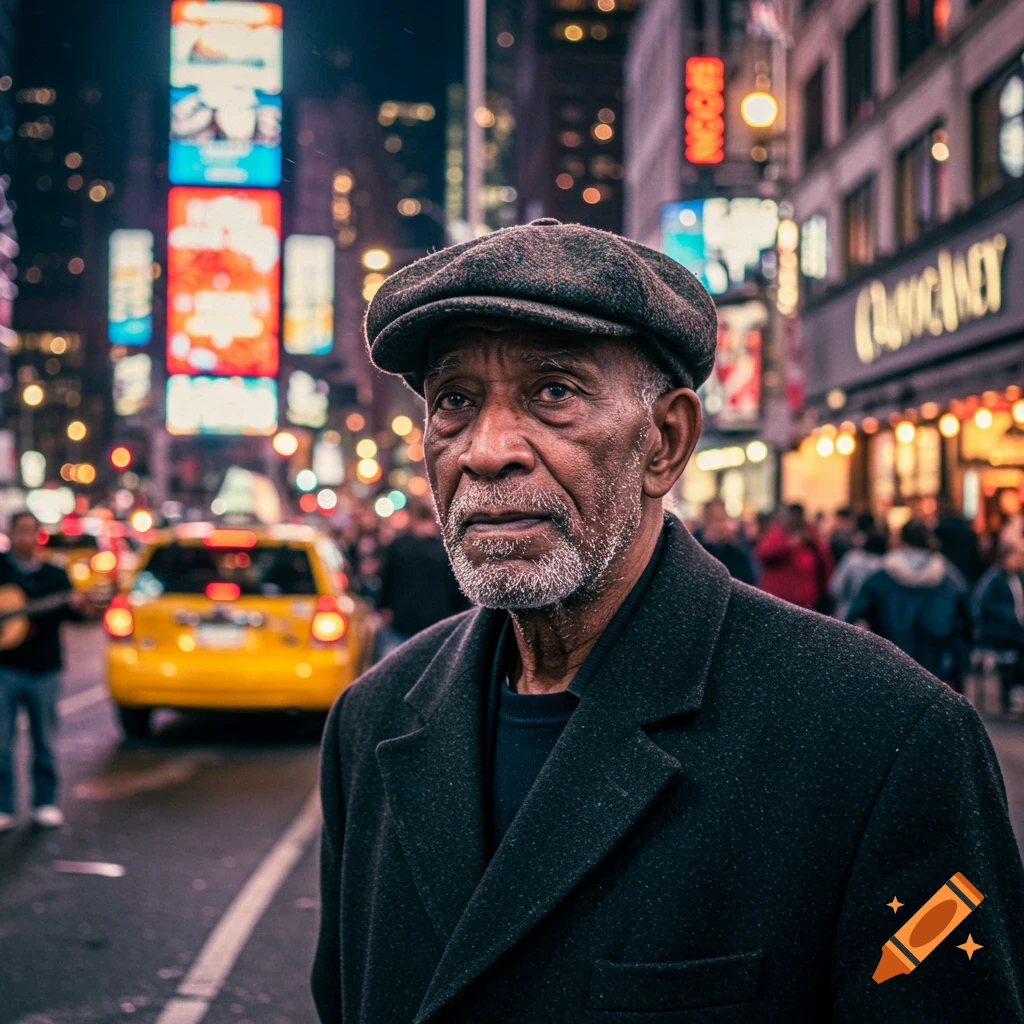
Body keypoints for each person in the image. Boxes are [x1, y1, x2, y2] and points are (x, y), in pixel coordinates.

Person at [312, 219, 1024, 1024]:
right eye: (455, 402)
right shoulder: (370, 723)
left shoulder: (881, 737)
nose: (487, 449)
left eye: (554, 393)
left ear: (665, 442)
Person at [0, 511, 89, 833]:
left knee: (45, 740)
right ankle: (4, 806)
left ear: (38, 535)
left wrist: (80, 607)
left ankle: (45, 802)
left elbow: (74, 616)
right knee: (1, 743)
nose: (24, 537)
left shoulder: (55, 575)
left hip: (45, 669)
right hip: (5, 668)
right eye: (18, 530)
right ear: (10, 533)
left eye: (30, 531)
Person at [846, 519, 971, 687]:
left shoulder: (883, 575)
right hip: (938, 665)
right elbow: (967, 620)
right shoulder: (949, 576)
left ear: (901, 540)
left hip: (892, 664)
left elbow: (855, 616)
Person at [376, 500, 470, 658]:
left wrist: (384, 607)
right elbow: (457, 590)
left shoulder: (398, 547)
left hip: (402, 620)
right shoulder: (444, 550)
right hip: (437, 622)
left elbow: (387, 581)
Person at [972, 539, 1024, 714]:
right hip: (998, 632)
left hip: (1013, 630)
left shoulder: (1017, 578)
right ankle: (1016, 690)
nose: (1019, 560)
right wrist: (1010, 617)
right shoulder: (994, 579)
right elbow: (982, 606)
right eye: (1016, 556)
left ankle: (1016, 690)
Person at [756, 503, 833, 610]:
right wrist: (788, 545)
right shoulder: (778, 534)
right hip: (776, 603)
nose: (795, 520)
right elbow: (763, 553)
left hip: (805, 605)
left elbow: (825, 566)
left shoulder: (812, 539)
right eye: (793, 516)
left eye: (798, 516)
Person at [828, 514, 888, 622]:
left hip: (848, 611)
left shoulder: (853, 559)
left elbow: (835, 588)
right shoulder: (886, 565)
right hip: (878, 617)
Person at [694, 498, 756, 584]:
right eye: (718, 519)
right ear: (706, 520)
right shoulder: (692, 549)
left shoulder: (736, 553)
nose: (724, 524)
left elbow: (747, 582)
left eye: (724, 518)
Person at [934, 498, 986, 585]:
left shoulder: (938, 533)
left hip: (945, 577)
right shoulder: (969, 533)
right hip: (967, 577)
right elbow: (977, 559)